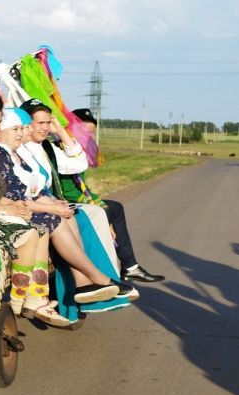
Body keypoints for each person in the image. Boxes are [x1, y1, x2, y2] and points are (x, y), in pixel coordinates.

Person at [0, 107, 131, 323]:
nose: (21, 133)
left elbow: (34, 191)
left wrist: (55, 203)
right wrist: (53, 208)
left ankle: (83, 282)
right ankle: (95, 278)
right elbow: (14, 197)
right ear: (0, 131)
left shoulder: (14, 153)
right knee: (55, 219)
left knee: (69, 215)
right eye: (16, 128)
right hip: (11, 212)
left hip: (25, 208)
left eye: (22, 128)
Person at [40, 107, 164, 284]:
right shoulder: (59, 149)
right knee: (112, 209)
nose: (87, 136)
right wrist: (98, 207)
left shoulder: (73, 148)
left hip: (76, 200)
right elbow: (66, 190)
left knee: (112, 208)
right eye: (84, 131)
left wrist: (99, 205)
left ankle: (129, 266)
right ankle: (126, 267)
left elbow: (83, 187)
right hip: (65, 202)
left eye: (91, 133)